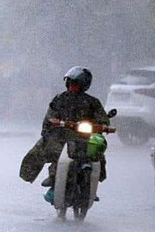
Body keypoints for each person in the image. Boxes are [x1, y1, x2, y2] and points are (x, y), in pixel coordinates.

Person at [19, 66, 109, 200]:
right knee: (45, 148)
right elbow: (49, 116)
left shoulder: (92, 102)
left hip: (85, 137)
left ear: (83, 85)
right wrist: (49, 128)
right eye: (70, 83)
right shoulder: (60, 99)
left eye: (76, 84)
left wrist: (103, 126)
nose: (72, 86)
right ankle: (52, 180)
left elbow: (103, 120)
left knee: (98, 151)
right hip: (62, 136)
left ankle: (92, 183)